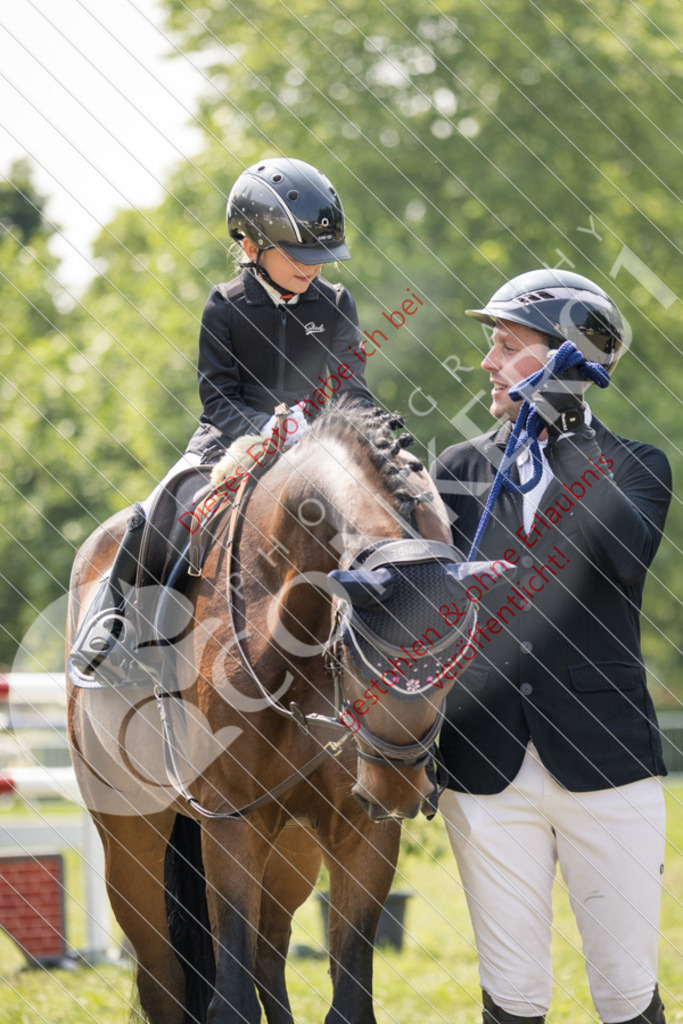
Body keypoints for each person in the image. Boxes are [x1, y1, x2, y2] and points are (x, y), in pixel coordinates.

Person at [430, 268, 672, 1024]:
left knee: (626, 996)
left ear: (564, 357)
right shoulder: (456, 472)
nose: (486, 363)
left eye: (505, 346)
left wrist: (565, 431)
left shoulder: (637, 466)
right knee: (512, 998)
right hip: (483, 768)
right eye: (489, 345)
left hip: (607, 765)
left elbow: (625, 558)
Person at [70, 156, 372, 682]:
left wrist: (358, 434)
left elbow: (353, 390)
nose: (313, 267)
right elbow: (218, 396)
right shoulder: (226, 305)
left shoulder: (336, 303)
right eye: (298, 254)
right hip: (231, 438)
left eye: (321, 256)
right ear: (252, 247)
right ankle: (113, 623)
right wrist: (267, 432)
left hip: (320, 446)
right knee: (161, 505)